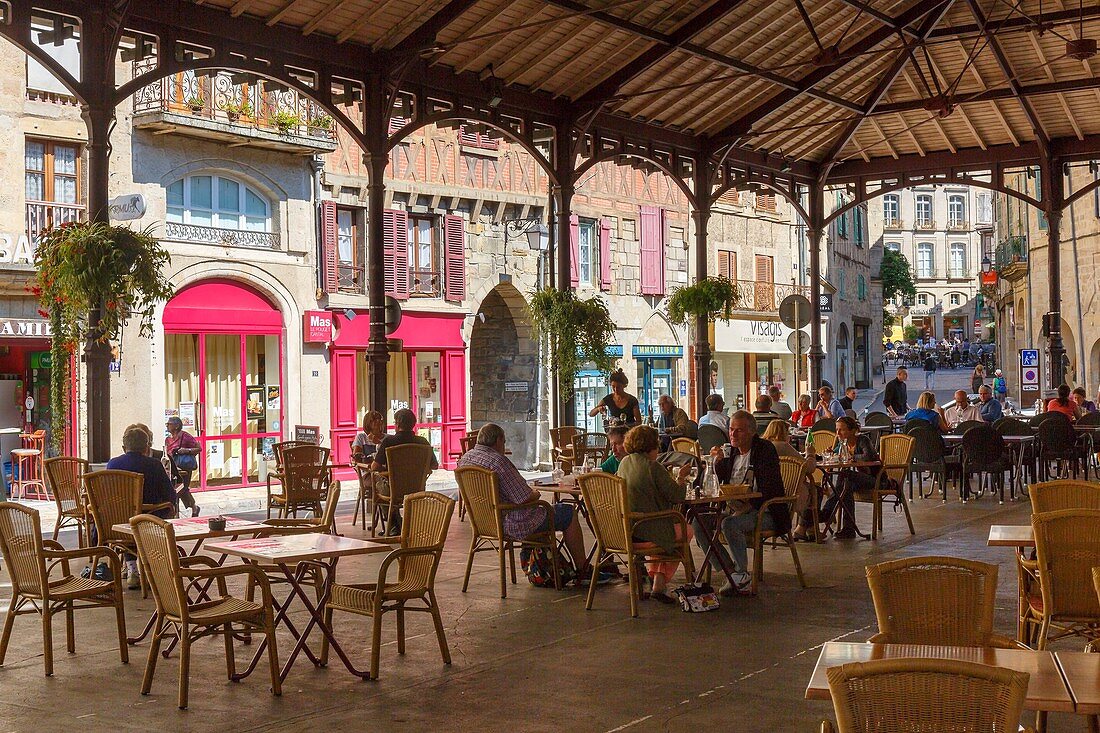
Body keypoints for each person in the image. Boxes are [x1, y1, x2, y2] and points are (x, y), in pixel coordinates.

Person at [458, 424, 592, 582]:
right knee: (567, 512)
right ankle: (583, 569)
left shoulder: (466, 459)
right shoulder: (498, 462)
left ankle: (551, 570)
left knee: (547, 513)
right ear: (499, 440)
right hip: (511, 522)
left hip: (485, 522)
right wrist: (536, 493)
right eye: (504, 441)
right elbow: (524, 497)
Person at [693, 411, 786, 596]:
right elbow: (706, 485)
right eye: (731, 429)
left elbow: (770, 488)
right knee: (699, 522)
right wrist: (712, 464)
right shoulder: (730, 451)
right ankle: (730, 572)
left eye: (739, 431)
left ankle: (741, 573)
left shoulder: (764, 450)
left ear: (752, 432)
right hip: (734, 508)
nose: (733, 434)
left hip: (765, 511)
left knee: (729, 524)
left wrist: (747, 506)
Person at [616, 425, 693, 603]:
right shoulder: (653, 467)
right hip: (647, 531)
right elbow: (677, 496)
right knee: (685, 530)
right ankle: (660, 582)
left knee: (665, 531)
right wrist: (681, 478)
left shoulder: (624, 463)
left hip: (629, 530)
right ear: (652, 446)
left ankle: (658, 583)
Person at [106, 423, 176, 589]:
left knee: (130, 519)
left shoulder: (112, 464)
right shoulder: (153, 464)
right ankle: (153, 568)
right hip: (147, 521)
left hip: (117, 524)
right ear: (146, 447)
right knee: (150, 516)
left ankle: (132, 569)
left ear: (124, 447)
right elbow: (170, 495)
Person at [372, 408, 439, 534]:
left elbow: (374, 467)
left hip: (394, 488)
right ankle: (401, 524)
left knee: (378, 486)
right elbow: (434, 465)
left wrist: (388, 469)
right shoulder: (423, 442)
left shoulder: (389, 441)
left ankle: (393, 525)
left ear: (397, 424)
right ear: (413, 424)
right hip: (416, 487)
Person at [820, 416, 878, 540]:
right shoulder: (842, 444)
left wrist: (851, 455)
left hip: (874, 479)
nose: (838, 433)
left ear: (852, 430)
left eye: (841, 430)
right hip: (856, 480)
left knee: (846, 475)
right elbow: (836, 455)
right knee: (846, 487)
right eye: (836, 430)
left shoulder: (863, 440)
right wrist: (830, 453)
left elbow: (868, 457)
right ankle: (849, 529)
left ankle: (826, 512)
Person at [761, 420, 815, 542]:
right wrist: (810, 454)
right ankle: (802, 529)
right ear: (782, 432)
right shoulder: (782, 446)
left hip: (768, 491)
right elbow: (808, 468)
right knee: (816, 490)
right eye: (787, 431)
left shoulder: (764, 445)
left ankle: (811, 530)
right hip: (789, 490)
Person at [164, 416, 201, 517]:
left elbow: (198, 448)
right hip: (172, 467)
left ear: (177, 426)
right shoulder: (167, 439)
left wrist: (185, 451)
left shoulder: (185, 436)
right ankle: (192, 508)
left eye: (169, 424)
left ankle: (188, 509)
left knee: (182, 488)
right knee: (176, 489)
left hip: (184, 467)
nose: (167, 425)